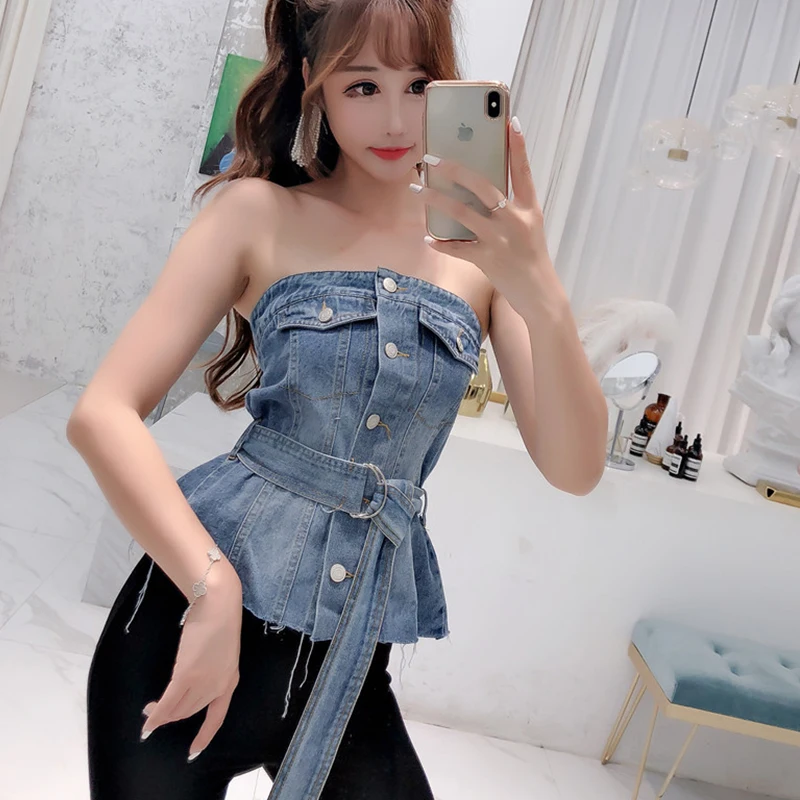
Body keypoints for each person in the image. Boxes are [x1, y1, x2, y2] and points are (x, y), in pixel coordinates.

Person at [67, 1, 608, 798]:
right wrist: (213, 588)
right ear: (315, 87)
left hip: (348, 667)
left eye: (418, 85)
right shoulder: (258, 214)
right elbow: (102, 412)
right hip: (184, 633)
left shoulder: (479, 259)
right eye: (361, 86)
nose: (394, 118)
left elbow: (576, 468)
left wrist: (541, 287)